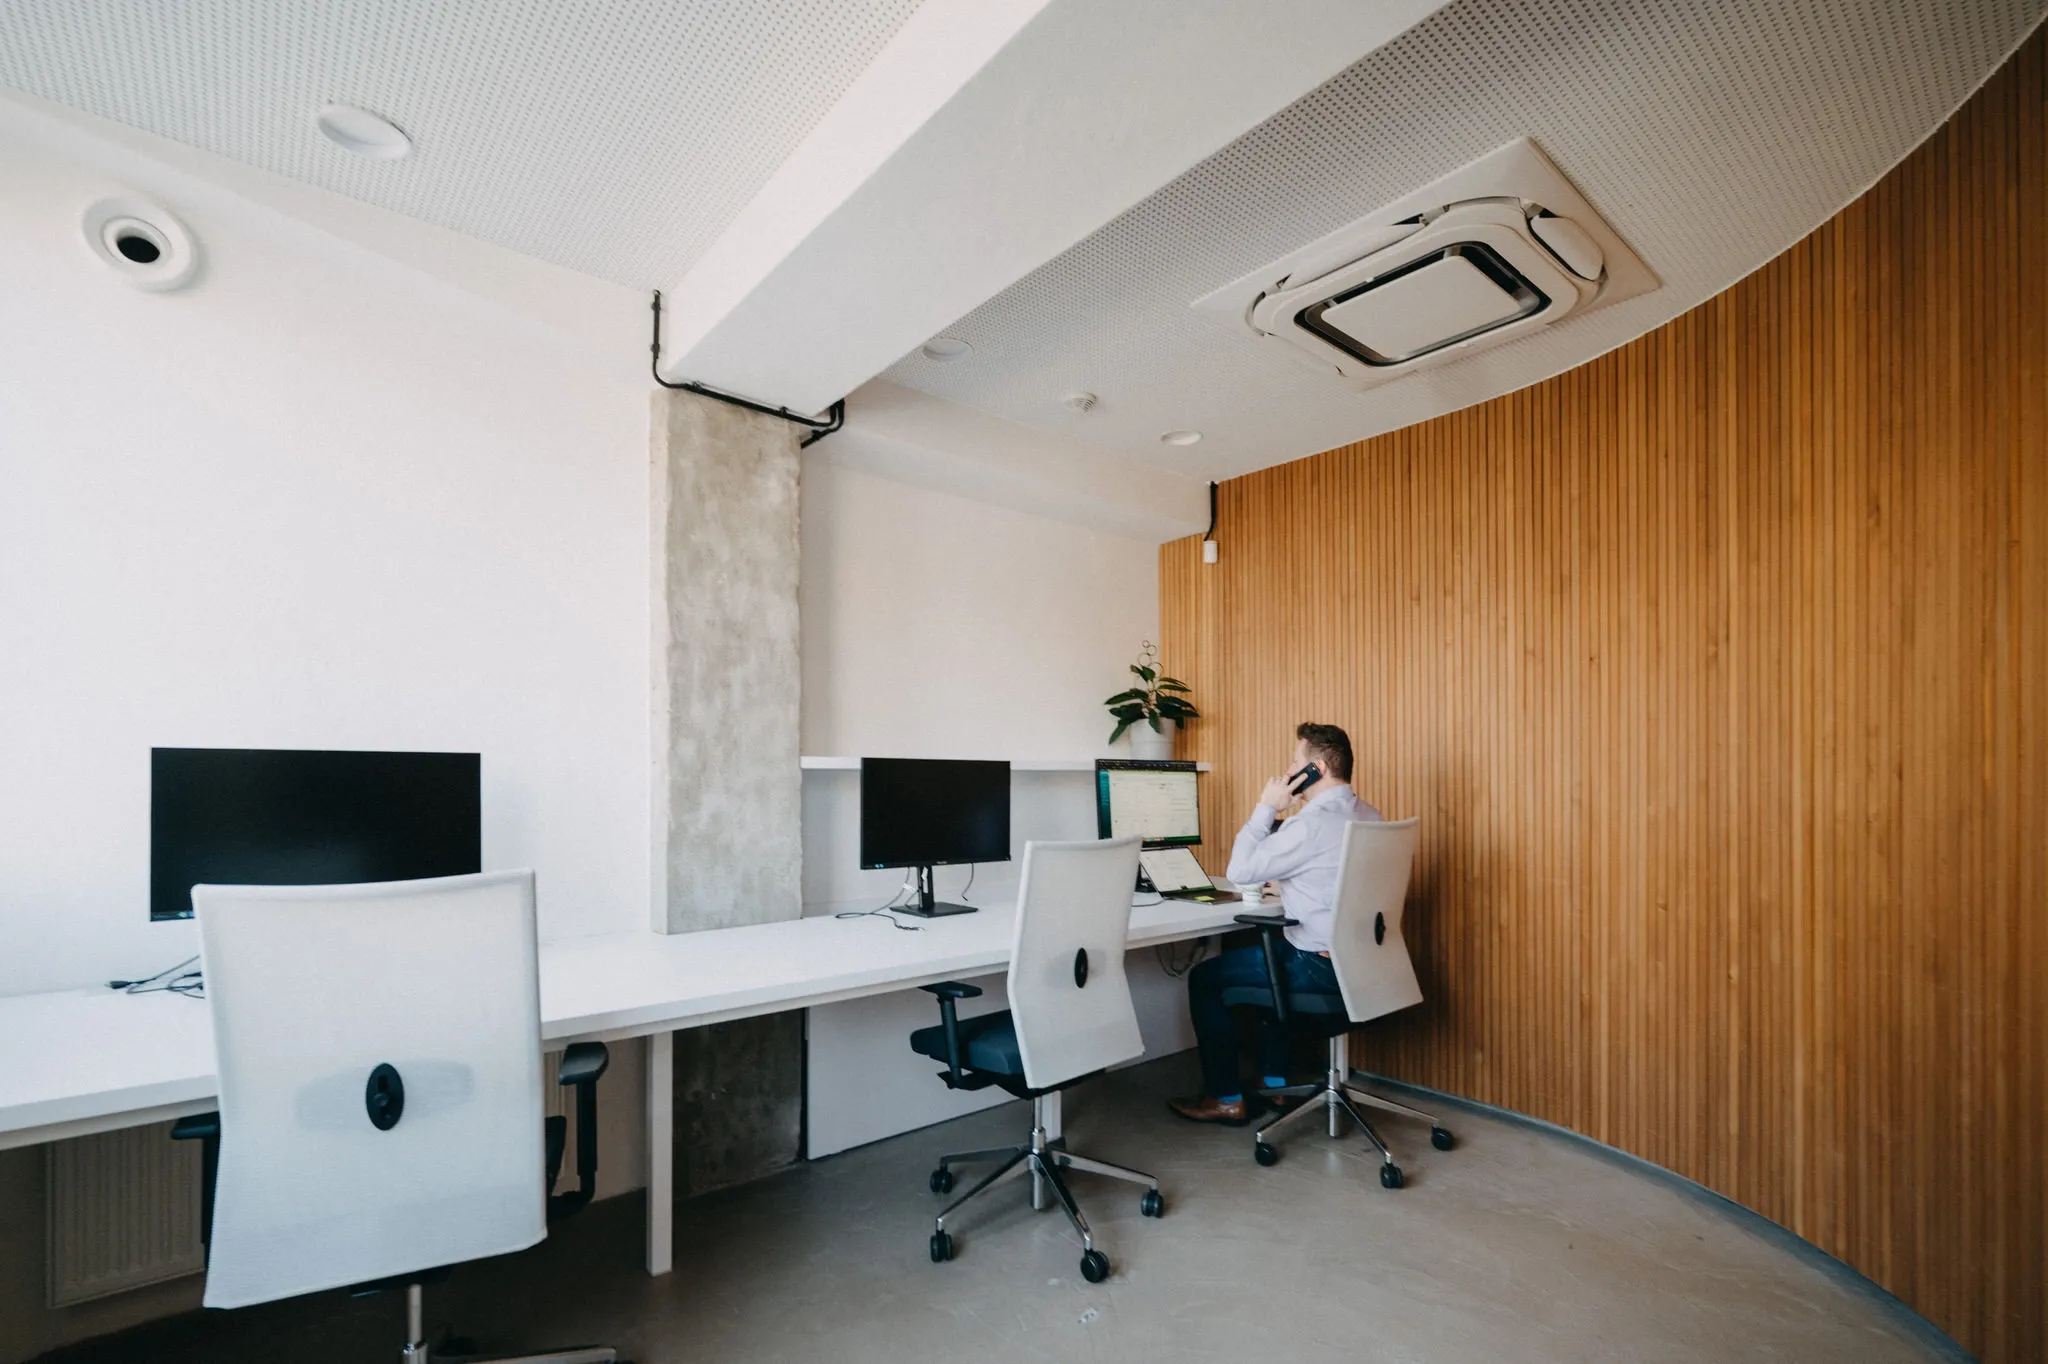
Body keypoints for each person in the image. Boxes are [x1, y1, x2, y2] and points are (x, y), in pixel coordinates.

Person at [1168, 722, 1381, 1125]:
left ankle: (1226, 1098)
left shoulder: (1307, 825)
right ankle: (1276, 1084)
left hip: (1320, 968)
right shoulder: (1370, 815)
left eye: (1294, 762)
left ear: (1315, 769)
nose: (1287, 770)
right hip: (1362, 964)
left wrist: (1267, 806)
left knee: (1206, 980)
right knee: (1275, 956)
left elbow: (1240, 871)